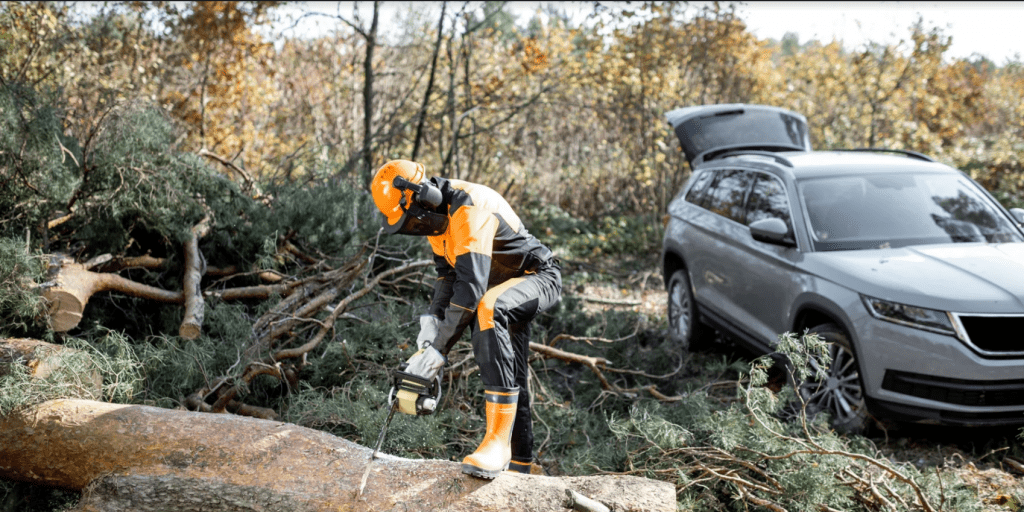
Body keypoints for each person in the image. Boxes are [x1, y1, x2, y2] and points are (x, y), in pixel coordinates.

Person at [370, 159, 562, 479]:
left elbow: (470, 289)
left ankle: (498, 444)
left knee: (488, 309)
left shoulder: (469, 208)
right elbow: (448, 276)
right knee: (510, 369)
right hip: (500, 289)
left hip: (537, 277)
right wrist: (432, 322)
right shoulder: (440, 220)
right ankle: (522, 468)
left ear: (424, 197)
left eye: (413, 219)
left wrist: (438, 352)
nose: (417, 227)